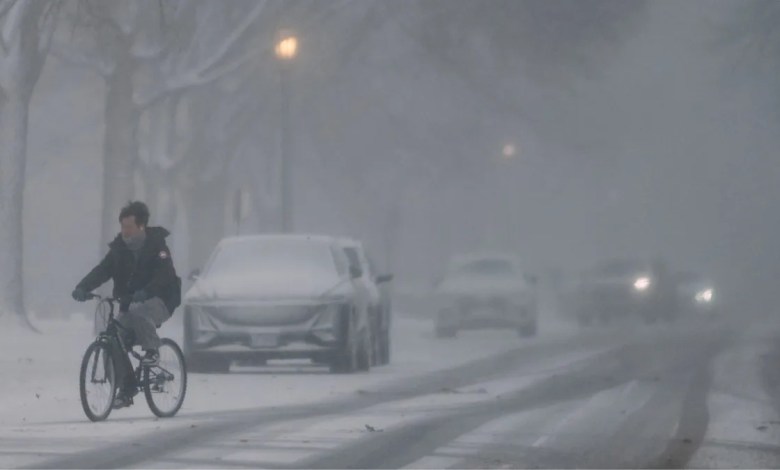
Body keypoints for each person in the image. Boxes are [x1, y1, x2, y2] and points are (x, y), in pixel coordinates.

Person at [72, 201, 181, 408]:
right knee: (114, 339)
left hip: (161, 299)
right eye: (122, 226)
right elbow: (102, 270)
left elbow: (165, 274)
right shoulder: (119, 250)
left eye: (129, 227)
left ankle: (152, 350)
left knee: (140, 312)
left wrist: (147, 291)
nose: (124, 231)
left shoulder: (157, 245)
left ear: (141, 226)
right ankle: (126, 388)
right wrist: (83, 287)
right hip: (129, 302)